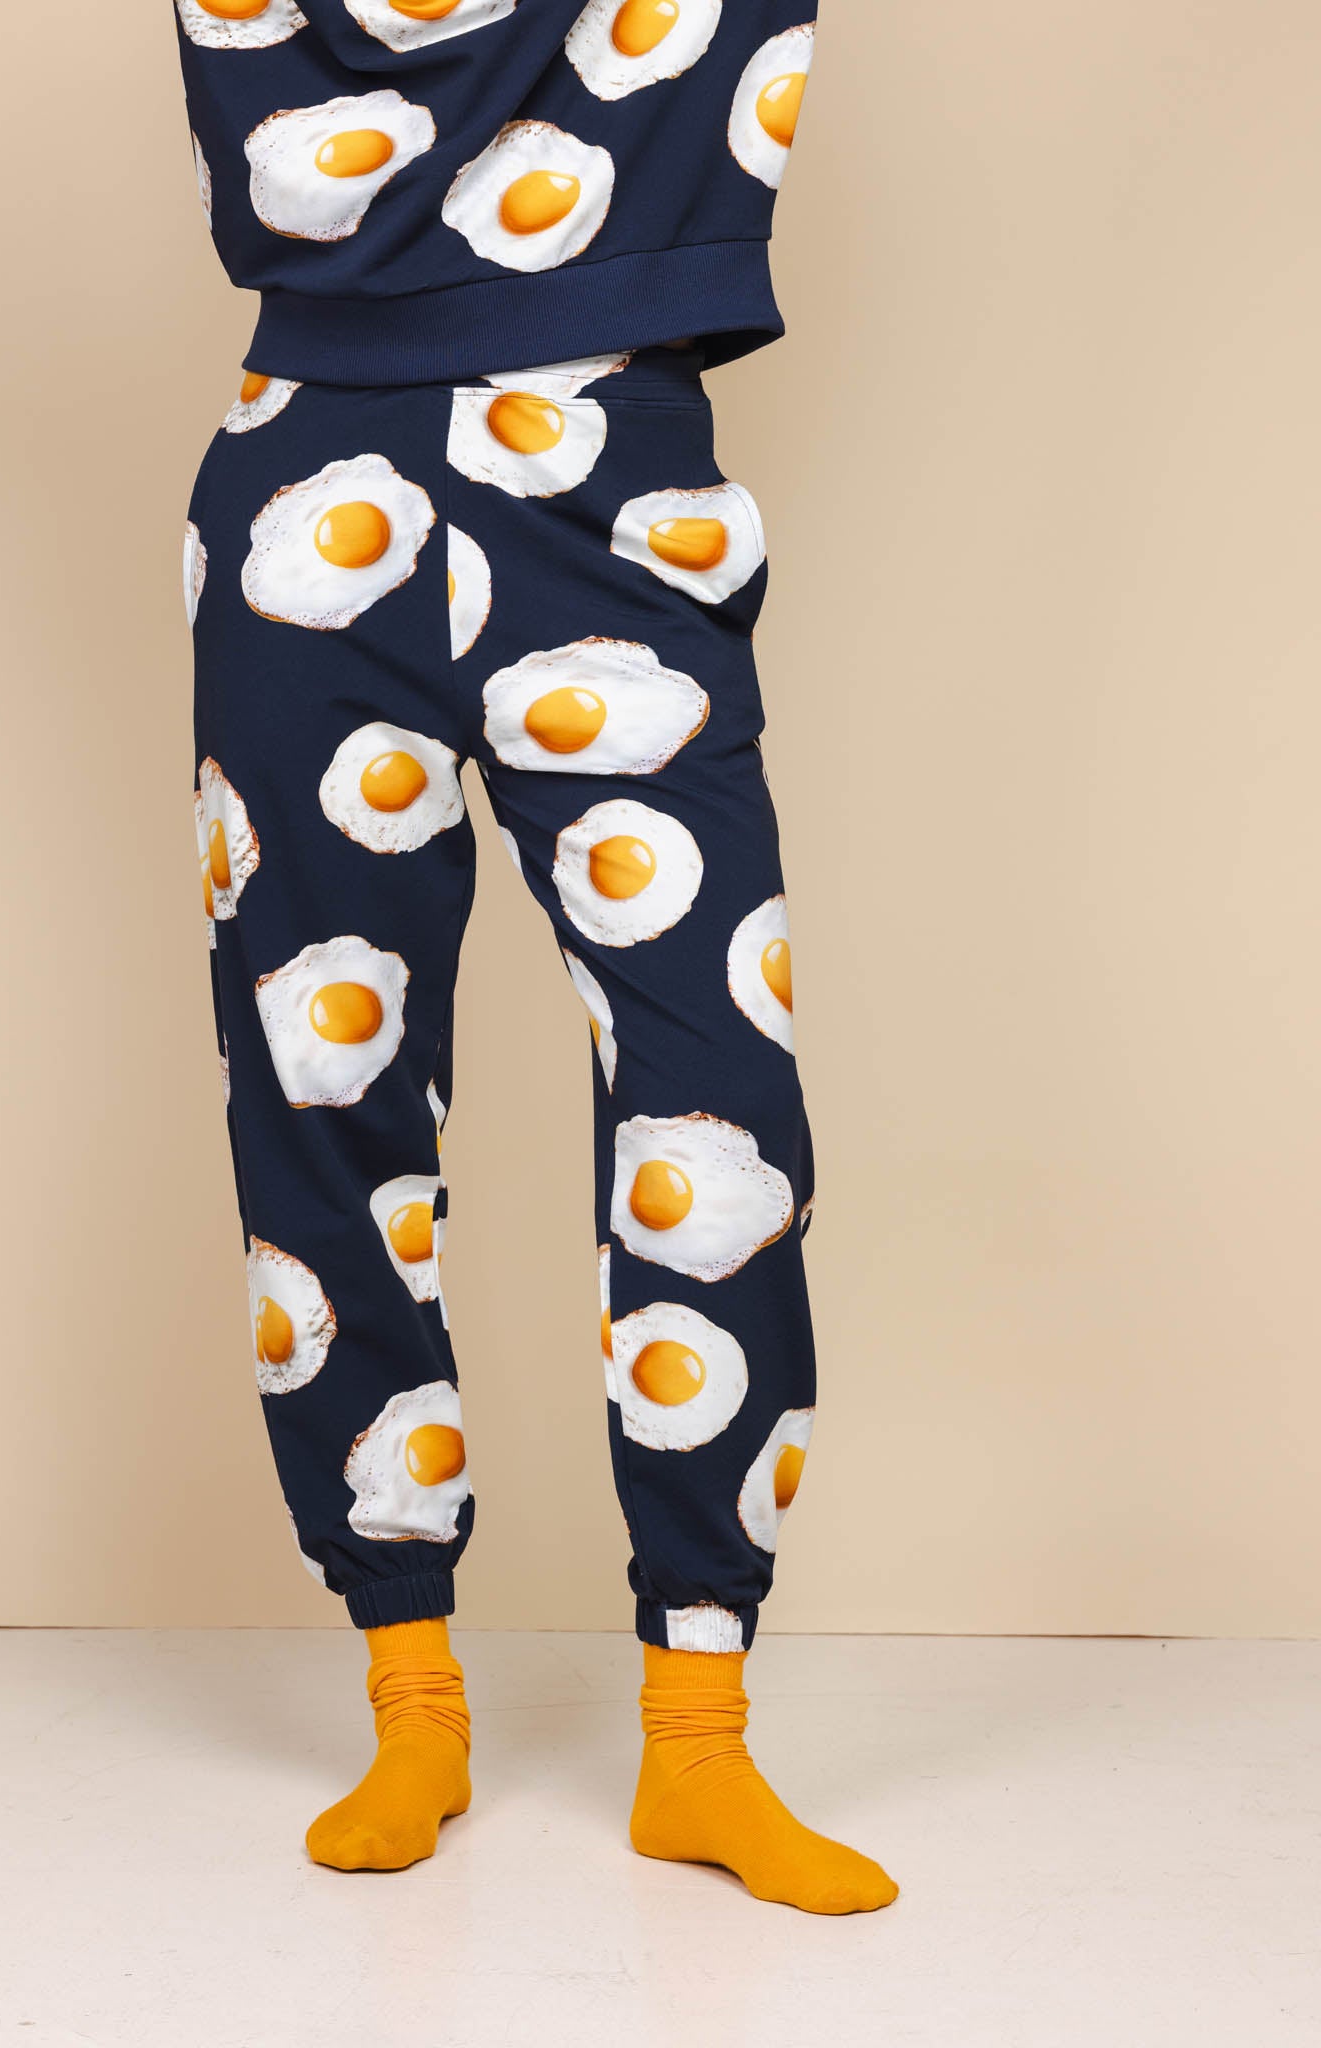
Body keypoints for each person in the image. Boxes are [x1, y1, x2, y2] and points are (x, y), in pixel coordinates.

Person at [174, 0, 897, 1914]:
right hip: (303, 469)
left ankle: (698, 1737)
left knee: (717, 1105)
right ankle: (410, 1692)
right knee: (322, 1089)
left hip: (618, 477)